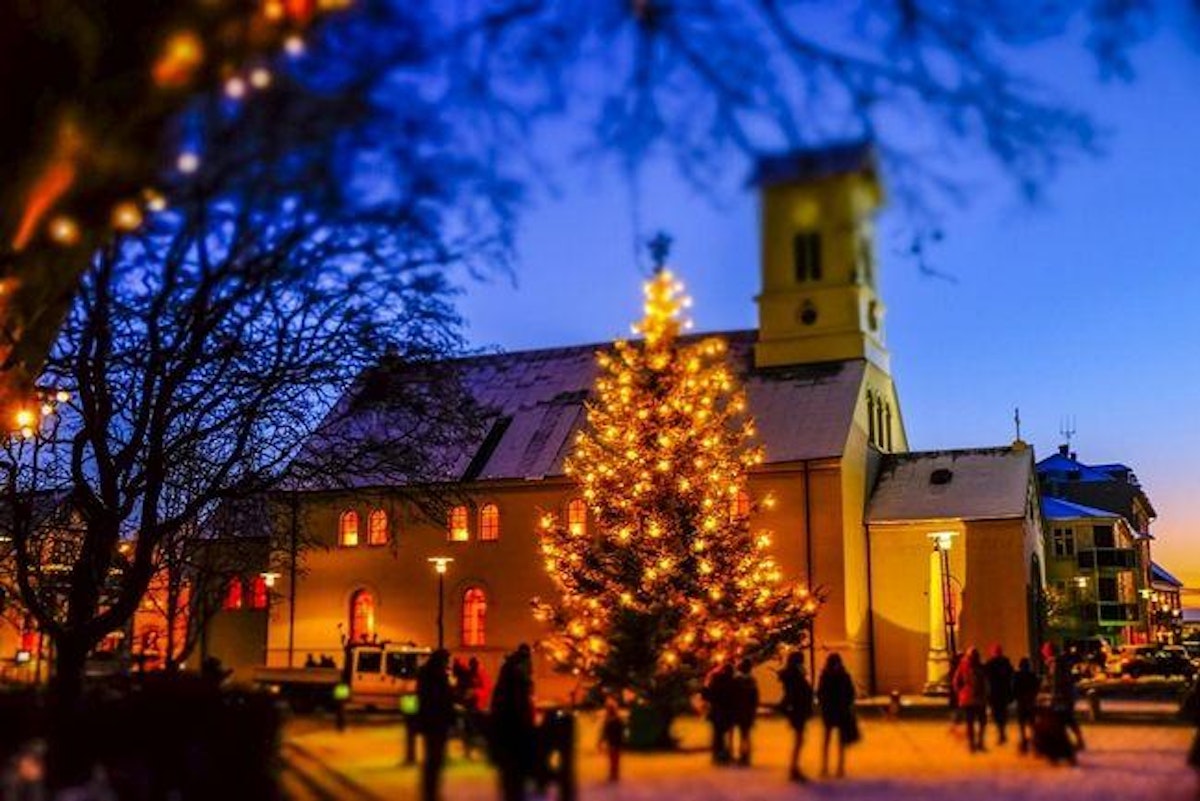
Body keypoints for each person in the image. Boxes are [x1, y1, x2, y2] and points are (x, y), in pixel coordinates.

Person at [490, 644, 537, 801]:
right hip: (514, 727)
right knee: (514, 768)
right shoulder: (517, 674)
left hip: (506, 726)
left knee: (510, 771)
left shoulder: (508, 671)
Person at [415, 649, 455, 801]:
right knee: (435, 758)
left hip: (429, 721)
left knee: (432, 758)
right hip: (437, 721)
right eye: (447, 660)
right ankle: (431, 792)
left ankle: (429, 790)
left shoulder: (425, 673)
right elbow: (443, 699)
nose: (448, 663)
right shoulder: (437, 675)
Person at [817, 653, 857, 779]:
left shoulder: (829, 676)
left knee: (836, 740)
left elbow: (820, 693)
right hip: (835, 711)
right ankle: (827, 767)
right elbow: (850, 692)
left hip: (835, 711)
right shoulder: (840, 676)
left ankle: (837, 767)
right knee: (831, 740)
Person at [777, 651, 814, 783]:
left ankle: (794, 767)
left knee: (800, 739)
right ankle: (794, 768)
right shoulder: (795, 675)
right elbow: (793, 694)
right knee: (799, 740)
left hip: (799, 710)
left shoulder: (795, 674)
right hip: (798, 710)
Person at [952, 647, 988, 753]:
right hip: (973, 699)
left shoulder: (971, 666)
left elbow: (956, 681)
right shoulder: (967, 666)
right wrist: (961, 693)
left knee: (976, 722)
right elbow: (957, 681)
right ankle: (975, 743)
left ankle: (977, 743)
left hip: (974, 698)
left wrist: (960, 693)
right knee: (974, 722)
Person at [702, 662, 736, 765]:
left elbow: (707, 696)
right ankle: (726, 754)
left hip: (717, 712)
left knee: (717, 735)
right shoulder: (733, 682)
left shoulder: (715, 681)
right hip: (729, 712)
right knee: (726, 734)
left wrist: (705, 685)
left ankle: (718, 755)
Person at [984, 643, 1015, 746]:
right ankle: (1002, 732)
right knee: (1002, 714)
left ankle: (1001, 732)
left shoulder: (990, 664)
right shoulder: (1006, 663)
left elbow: (986, 679)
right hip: (1003, 692)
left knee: (997, 714)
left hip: (995, 693)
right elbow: (1011, 677)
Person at [732, 658, 760, 766]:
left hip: (739, 710)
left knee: (742, 734)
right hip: (748, 711)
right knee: (746, 734)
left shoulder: (737, 680)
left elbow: (734, 697)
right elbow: (755, 698)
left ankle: (742, 755)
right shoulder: (752, 681)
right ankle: (746, 755)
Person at [1013, 657, 1040, 754]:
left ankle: (1024, 742)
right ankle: (1035, 742)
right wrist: (1033, 695)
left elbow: (1014, 688)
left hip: (1021, 702)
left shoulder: (1017, 675)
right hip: (1030, 702)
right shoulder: (1032, 675)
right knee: (1032, 723)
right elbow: (1037, 686)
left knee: (1022, 724)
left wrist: (1016, 697)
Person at [599, 697, 626, 783]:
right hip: (614, 741)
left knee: (614, 759)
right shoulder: (614, 719)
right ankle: (614, 774)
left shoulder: (614, 720)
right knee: (614, 759)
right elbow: (605, 731)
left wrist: (601, 740)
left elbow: (606, 731)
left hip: (614, 741)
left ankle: (614, 774)